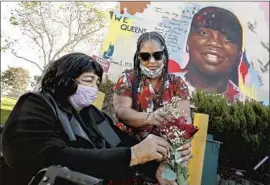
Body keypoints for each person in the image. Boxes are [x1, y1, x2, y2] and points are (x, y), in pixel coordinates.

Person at [1, 53, 191, 185]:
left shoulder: (92, 114)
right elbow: (48, 156)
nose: (94, 88)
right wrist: (133, 155)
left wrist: (158, 163)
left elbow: (121, 143)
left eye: (97, 83)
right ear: (65, 79)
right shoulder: (37, 104)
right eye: (88, 80)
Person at [113, 32, 192, 184]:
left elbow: (184, 121)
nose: (152, 61)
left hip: (163, 157)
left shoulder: (177, 84)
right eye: (145, 56)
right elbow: (121, 111)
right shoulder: (128, 80)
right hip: (129, 151)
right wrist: (150, 118)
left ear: (164, 55)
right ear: (138, 57)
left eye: (157, 55)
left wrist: (172, 159)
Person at [183, 6, 243, 100]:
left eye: (227, 38)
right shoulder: (162, 89)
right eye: (203, 33)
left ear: (238, 56)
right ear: (187, 42)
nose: (214, 43)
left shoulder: (246, 107)